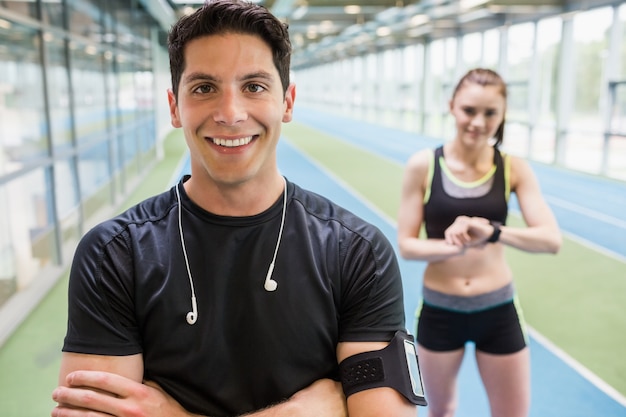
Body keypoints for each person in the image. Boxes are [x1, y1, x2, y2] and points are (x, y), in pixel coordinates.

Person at [51, 1, 421, 417]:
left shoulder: (358, 252)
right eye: (204, 88)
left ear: (288, 101)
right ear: (175, 107)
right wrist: (300, 412)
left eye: (254, 86)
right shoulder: (114, 253)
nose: (230, 114)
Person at [397, 68, 561, 417]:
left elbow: (550, 240)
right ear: (452, 106)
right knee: (441, 412)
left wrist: (493, 232)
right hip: (440, 311)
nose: (478, 122)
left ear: (502, 116)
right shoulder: (424, 166)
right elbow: (408, 246)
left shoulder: (513, 168)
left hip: (497, 311)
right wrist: (456, 245)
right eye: (469, 110)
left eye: (490, 113)